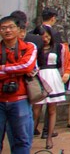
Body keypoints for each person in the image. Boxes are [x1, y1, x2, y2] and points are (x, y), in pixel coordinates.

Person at [0, 14, 38, 154]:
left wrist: (4, 69)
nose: (7, 31)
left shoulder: (28, 47)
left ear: (18, 29)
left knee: (21, 140)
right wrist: (18, 70)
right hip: (0, 99)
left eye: (11, 27)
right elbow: (23, 68)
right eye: (3, 28)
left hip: (20, 99)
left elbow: (28, 66)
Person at [32, 25, 70, 145]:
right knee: (36, 109)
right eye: (43, 37)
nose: (45, 39)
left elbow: (63, 62)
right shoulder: (34, 49)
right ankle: (30, 135)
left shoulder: (58, 47)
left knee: (52, 108)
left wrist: (66, 73)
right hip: (40, 76)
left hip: (53, 76)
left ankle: (49, 137)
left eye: (48, 36)